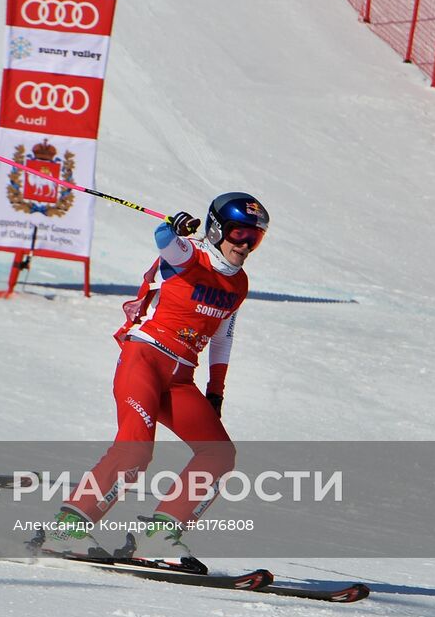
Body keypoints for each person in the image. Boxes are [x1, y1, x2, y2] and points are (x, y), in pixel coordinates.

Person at [46, 192, 270, 560]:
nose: (244, 244)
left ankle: (158, 537)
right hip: (145, 359)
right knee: (135, 450)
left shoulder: (239, 283)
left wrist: (215, 391)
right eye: (237, 233)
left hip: (180, 378)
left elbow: (223, 334)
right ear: (216, 230)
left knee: (218, 455)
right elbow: (164, 241)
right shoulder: (189, 255)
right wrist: (172, 226)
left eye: (254, 238)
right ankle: (66, 530)